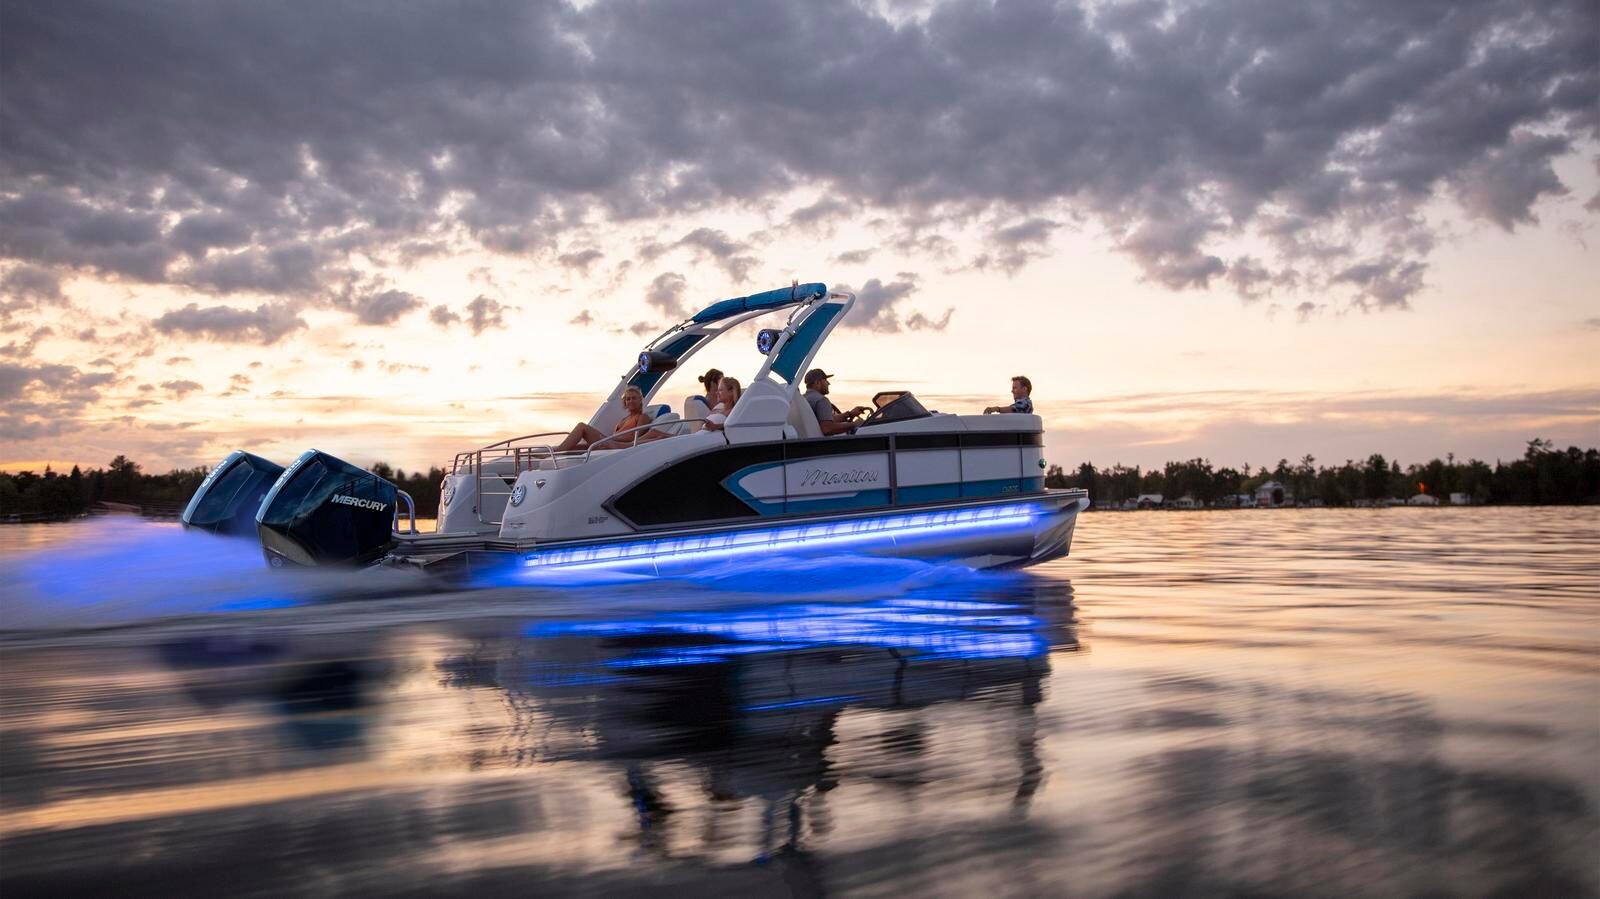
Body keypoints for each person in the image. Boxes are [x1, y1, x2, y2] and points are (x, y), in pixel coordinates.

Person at [556, 385, 655, 451]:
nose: (630, 401)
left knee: (582, 427)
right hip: (610, 442)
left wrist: (611, 439)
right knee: (575, 448)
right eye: (628, 399)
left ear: (640, 400)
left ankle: (556, 452)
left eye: (634, 398)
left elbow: (635, 438)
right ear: (625, 402)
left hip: (615, 446)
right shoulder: (624, 419)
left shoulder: (643, 417)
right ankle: (554, 454)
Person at [804, 368, 869, 436]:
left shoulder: (805, 398)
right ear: (817, 382)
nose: (829, 383)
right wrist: (855, 424)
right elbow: (827, 428)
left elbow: (825, 419)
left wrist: (850, 414)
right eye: (825, 380)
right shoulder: (821, 400)